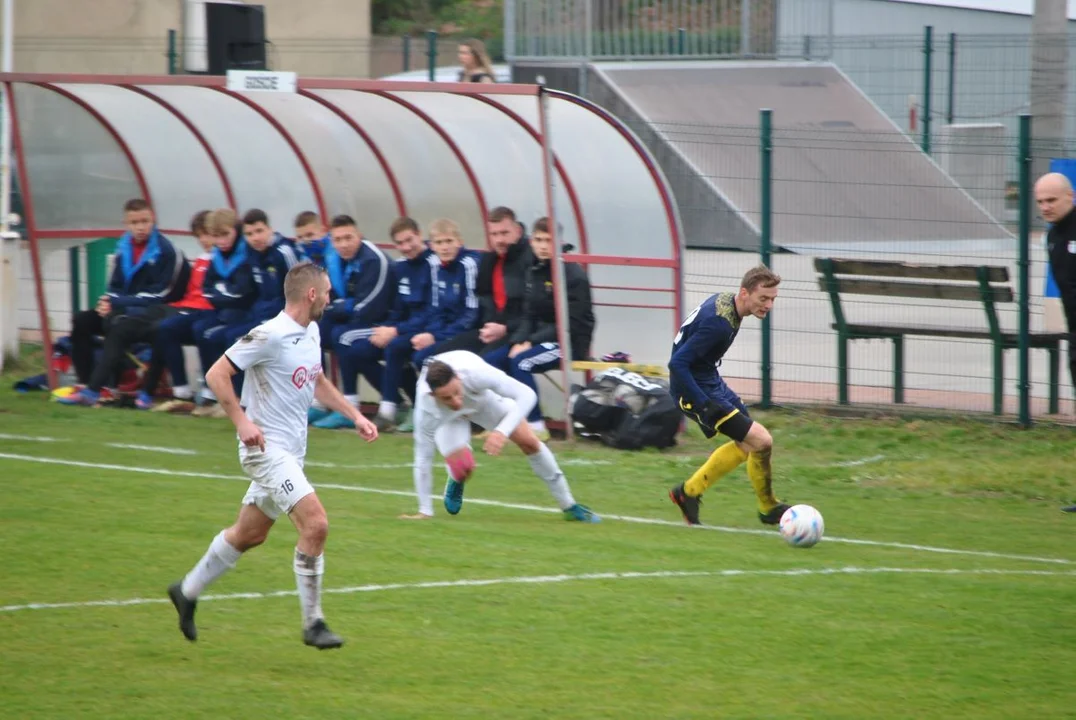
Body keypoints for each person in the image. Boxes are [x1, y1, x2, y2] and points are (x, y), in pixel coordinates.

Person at [167, 262, 379, 649]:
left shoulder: (311, 331)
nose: (331, 299)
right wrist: (242, 422)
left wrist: (355, 415)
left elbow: (316, 380)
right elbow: (217, 374)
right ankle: (313, 623)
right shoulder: (269, 335)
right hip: (265, 451)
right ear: (311, 294)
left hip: (291, 453)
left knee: (250, 534)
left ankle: (187, 590)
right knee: (316, 525)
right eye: (328, 292)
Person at [407, 349, 600, 523]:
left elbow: (527, 395)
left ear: (458, 377)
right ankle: (456, 478)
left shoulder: (475, 374)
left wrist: (501, 432)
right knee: (463, 469)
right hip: (449, 419)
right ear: (433, 395)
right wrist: (425, 511)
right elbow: (423, 458)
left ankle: (569, 506)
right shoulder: (426, 409)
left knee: (529, 443)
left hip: (482, 403)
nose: (456, 401)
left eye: (457, 392)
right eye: (447, 398)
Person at [667, 266, 792, 527]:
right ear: (745, 293)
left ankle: (688, 493)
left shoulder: (727, 302)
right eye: (763, 299)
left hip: (709, 380)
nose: (768, 305)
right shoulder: (719, 325)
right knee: (761, 440)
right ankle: (767, 507)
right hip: (694, 389)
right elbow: (677, 364)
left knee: (749, 445)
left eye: (772, 299)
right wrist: (703, 405)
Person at [60, 198, 187, 406]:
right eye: (134, 222)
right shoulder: (123, 246)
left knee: (127, 327)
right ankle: (85, 384)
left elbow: (161, 294)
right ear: (126, 223)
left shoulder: (166, 251)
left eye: (144, 221)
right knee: (82, 320)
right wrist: (106, 303)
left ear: (153, 219)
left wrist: (118, 301)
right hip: (124, 309)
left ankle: (106, 390)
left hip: (152, 312)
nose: (140, 227)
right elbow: (114, 286)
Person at [484, 216, 595, 439]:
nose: (543, 246)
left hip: (569, 342)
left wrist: (529, 343)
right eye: (539, 239)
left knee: (521, 361)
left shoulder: (573, 276)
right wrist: (520, 341)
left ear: (560, 243)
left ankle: (535, 425)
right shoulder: (534, 271)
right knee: (491, 363)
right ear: (531, 242)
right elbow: (528, 314)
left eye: (549, 240)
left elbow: (570, 325)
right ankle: (500, 421)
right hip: (539, 339)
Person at [319, 217, 432, 431]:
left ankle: (388, 408)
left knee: (346, 338)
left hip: (423, 330)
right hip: (399, 326)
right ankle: (395, 406)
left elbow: (369, 309)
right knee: (351, 347)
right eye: (400, 243)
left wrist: (395, 330)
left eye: (410, 240)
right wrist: (393, 327)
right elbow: (399, 308)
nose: (405, 247)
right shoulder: (401, 266)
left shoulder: (379, 260)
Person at [136, 210, 216, 410]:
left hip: (210, 313)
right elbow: (190, 294)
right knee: (164, 328)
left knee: (201, 331)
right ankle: (182, 392)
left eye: (208, 234)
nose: (204, 240)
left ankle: (210, 391)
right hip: (190, 309)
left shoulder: (224, 259)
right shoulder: (201, 260)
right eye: (200, 236)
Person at [1033, 172, 1076, 513]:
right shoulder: (1053, 236)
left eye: (1052, 200)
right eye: (1040, 202)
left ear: (1070, 197)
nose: (1045, 207)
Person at [435, 206, 531, 358]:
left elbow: (534, 311)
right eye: (494, 234)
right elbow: (484, 298)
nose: (499, 240)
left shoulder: (530, 260)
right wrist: (489, 326)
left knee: (485, 363)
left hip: (519, 332)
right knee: (441, 357)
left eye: (505, 233)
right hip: (491, 330)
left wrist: (505, 328)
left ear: (518, 231)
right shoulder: (488, 260)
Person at [190, 208, 259, 414]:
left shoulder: (246, 253)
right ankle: (211, 388)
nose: (221, 241)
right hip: (226, 312)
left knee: (229, 337)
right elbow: (207, 289)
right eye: (216, 236)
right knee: (201, 329)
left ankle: (237, 396)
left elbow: (243, 293)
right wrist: (223, 294)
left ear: (235, 230)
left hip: (246, 314)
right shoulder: (218, 256)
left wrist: (221, 293)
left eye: (225, 234)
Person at [411, 218, 482, 368]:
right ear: (431, 246)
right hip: (447, 330)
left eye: (449, 241)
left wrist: (436, 337)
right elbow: (437, 308)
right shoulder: (436, 266)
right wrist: (431, 334)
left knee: (424, 359)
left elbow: (471, 315)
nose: (444, 247)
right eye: (439, 243)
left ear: (459, 242)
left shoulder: (468, 265)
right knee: (404, 350)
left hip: (470, 331)